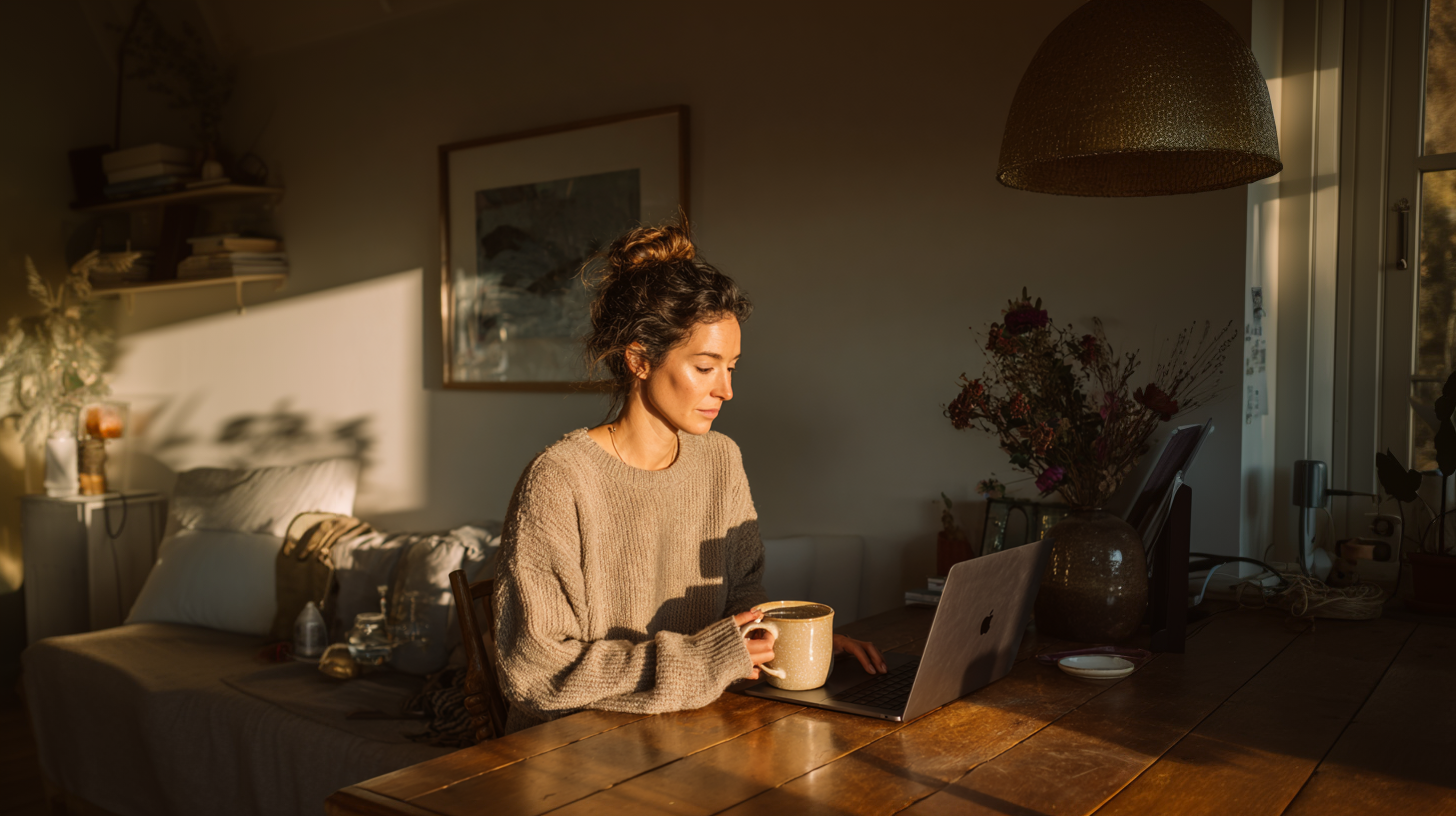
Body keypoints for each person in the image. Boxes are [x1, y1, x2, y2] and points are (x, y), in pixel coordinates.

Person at [492, 222, 886, 734]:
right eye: (705, 367)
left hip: (693, 729)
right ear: (639, 359)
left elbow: (741, 595)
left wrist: (790, 639)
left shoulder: (720, 459)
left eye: (732, 368)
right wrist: (707, 659)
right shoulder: (560, 479)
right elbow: (536, 674)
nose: (726, 390)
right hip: (573, 752)